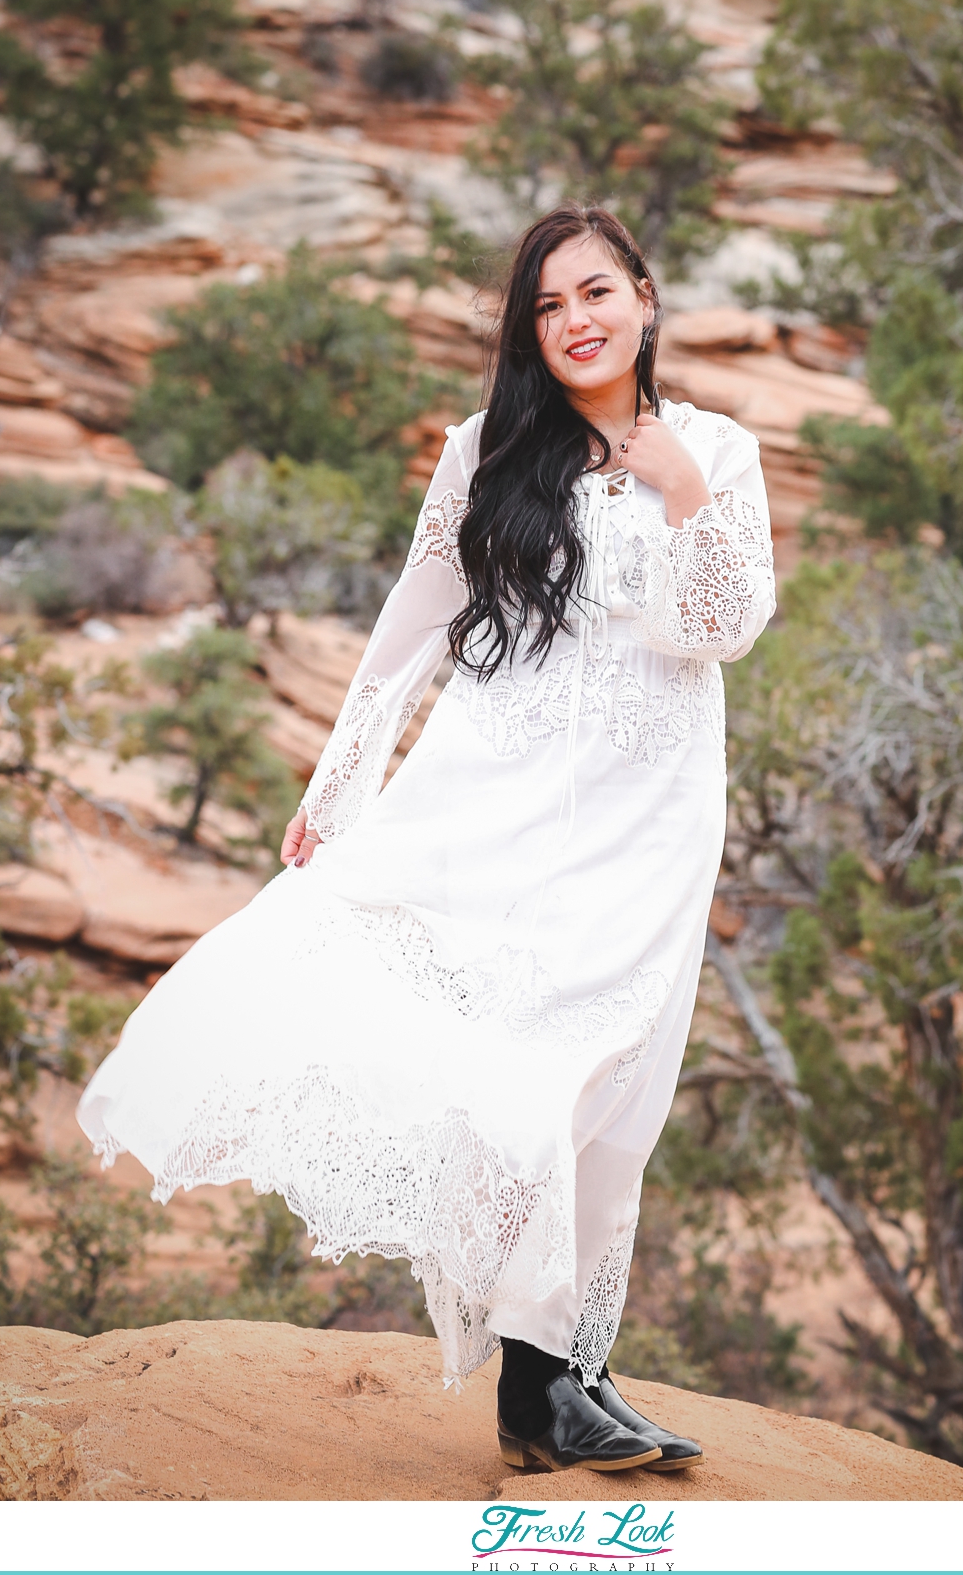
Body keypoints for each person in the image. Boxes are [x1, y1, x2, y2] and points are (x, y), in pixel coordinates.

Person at [78, 203, 776, 1475]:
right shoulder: (486, 449)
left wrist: (679, 493)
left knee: (618, 1095)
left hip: (651, 813)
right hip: (500, 795)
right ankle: (538, 1388)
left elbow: (724, 628)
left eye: (595, 294)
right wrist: (338, 785)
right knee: (525, 1071)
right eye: (548, 307)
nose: (574, 322)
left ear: (647, 299)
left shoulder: (717, 452)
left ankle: (567, 1367)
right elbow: (414, 621)